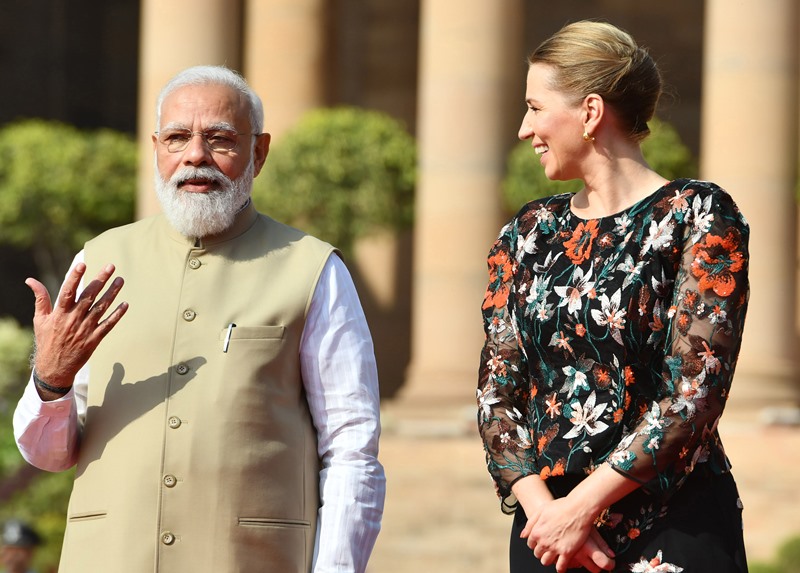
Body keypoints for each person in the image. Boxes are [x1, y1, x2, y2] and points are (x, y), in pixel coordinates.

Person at [13, 65, 385, 573]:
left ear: (259, 152)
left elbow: (351, 450)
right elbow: (47, 454)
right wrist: (49, 381)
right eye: (177, 138)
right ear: (156, 149)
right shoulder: (101, 259)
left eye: (220, 140)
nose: (195, 157)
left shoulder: (314, 270)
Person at [477, 20, 749, 573]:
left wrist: (581, 509)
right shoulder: (527, 232)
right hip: (546, 538)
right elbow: (495, 394)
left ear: (591, 112)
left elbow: (694, 394)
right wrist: (549, 516)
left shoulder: (698, 216)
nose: (524, 127)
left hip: (674, 525)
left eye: (534, 106)